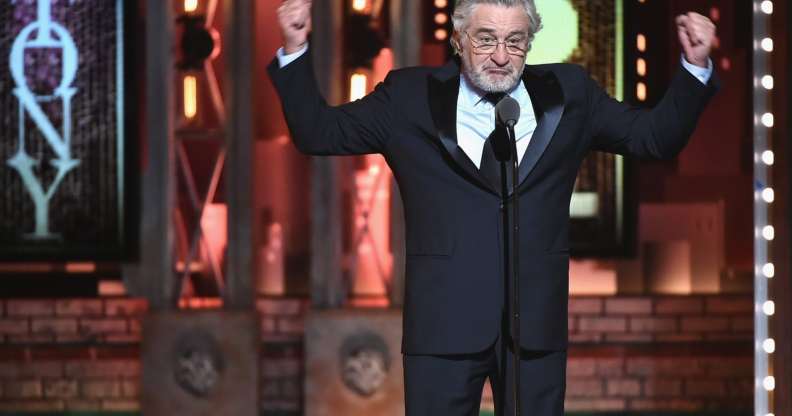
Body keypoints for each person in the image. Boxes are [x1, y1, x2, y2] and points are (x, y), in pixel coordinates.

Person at [269, 0, 717, 414]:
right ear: (459, 39)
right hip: (442, 324)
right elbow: (319, 133)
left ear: (529, 43)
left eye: (515, 41)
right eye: (485, 39)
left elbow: (654, 138)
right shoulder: (408, 98)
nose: (500, 56)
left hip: (533, 325)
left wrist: (695, 67)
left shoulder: (571, 94)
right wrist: (295, 48)